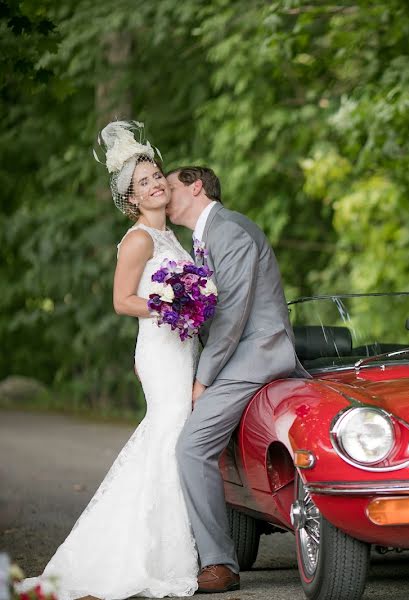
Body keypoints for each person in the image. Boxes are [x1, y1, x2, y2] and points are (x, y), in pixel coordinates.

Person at [19, 121, 199, 599]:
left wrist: (191, 308)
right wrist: (171, 307)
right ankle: (151, 555)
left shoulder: (173, 238)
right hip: (162, 348)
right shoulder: (139, 239)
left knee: (177, 435)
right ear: (131, 200)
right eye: (144, 182)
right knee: (170, 433)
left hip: (183, 346)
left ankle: (177, 545)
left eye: (158, 175)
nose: (157, 183)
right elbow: (122, 301)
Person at [165, 166, 308, 592]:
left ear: (195, 187)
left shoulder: (229, 230)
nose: (163, 193)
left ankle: (219, 563)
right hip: (238, 355)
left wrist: (203, 379)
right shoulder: (205, 236)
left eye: (170, 186)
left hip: (257, 354)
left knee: (191, 447)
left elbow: (230, 316)